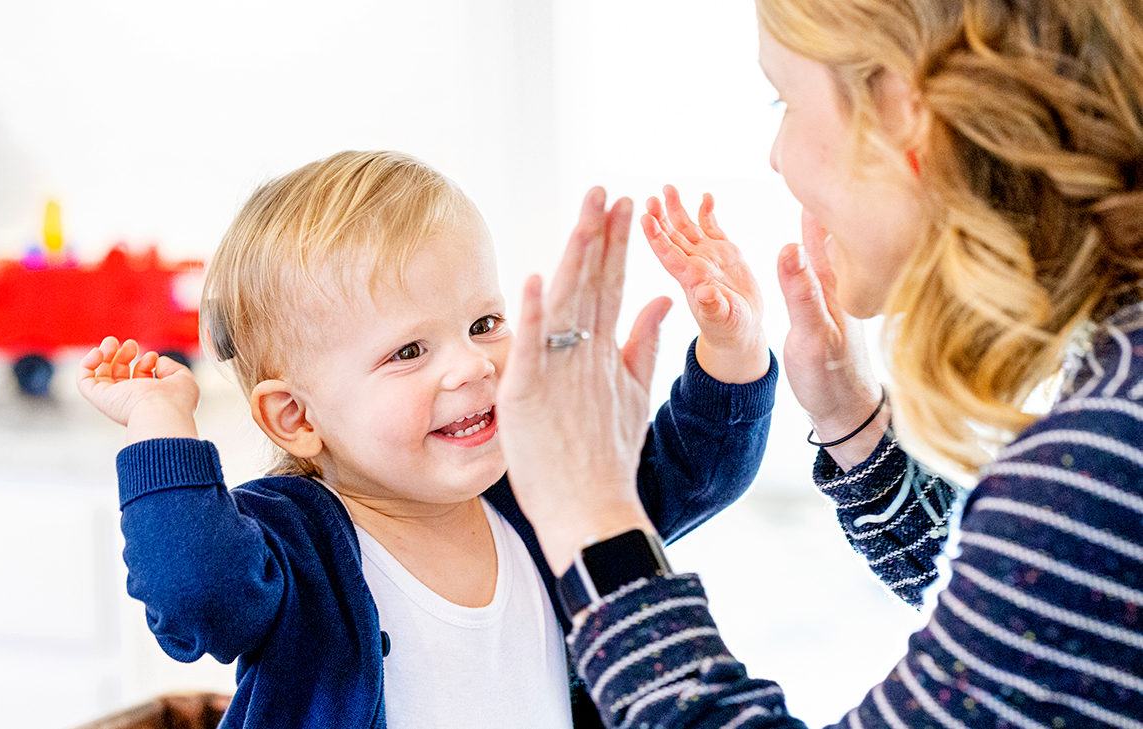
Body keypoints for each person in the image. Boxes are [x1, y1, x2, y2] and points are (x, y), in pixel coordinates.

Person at [494, 1, 1143, 727]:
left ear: (903, 110)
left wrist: (595, 522)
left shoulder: (1108, 449)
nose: (775, 155)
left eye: (784, 100)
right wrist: (853, 423)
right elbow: (1034, 639)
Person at [75, 150, 778, 728]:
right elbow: (194, 594)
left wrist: (734, 351)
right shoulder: (291, 541)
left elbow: (690, 472)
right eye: (409, 351)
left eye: (483, 324)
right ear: (297, 418)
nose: (472, 364)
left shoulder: (539, 497)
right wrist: (160, 418)